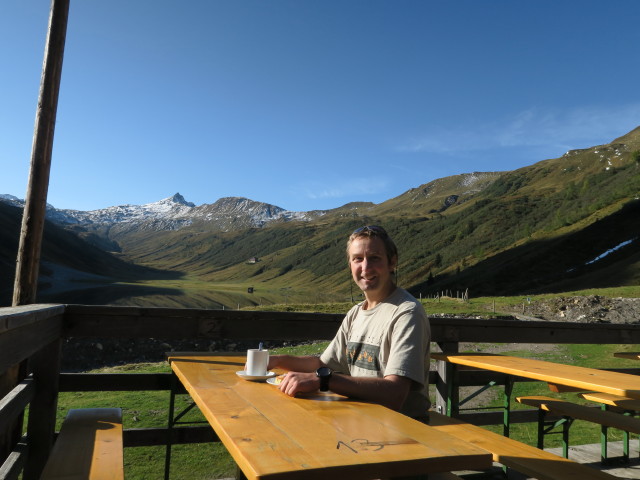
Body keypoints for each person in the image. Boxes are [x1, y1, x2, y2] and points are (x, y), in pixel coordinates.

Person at [268, 225, 431, 420]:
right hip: (360, 421)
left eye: (374, 258)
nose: (365, 267)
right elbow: (322, 363)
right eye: (358, 259)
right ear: (350, 265)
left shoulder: (406, 312)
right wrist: (277, 360)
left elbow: (395, 394)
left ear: (392, 262)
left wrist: (324, 380)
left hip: (406, 432)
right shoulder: (356, 313)